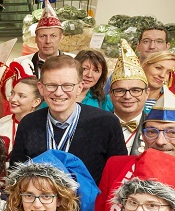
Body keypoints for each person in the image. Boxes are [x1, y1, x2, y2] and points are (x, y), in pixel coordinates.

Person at [9, 55, 127, 183]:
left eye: (67, 86)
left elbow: (119, 176)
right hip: (40, 202)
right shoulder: (29, 123)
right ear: (41, 88)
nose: (59, 92)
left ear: (80, 87)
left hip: (90, 202)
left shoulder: (106, 123)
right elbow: (15, 175)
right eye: (51, 85)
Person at [2, 0, 64, 99]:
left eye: (53, 36)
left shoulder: (74, 63)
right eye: (43, 36)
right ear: (35, 38)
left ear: (61, 38)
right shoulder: (19, 64)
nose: (48, 41)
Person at [0, 77, 42, 154]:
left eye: (21, 96)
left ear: (36, 102)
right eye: (12, 93)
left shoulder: (44, 127)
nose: (13, 99)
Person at [136, 25, 175, 95]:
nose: (152, 46)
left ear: (167, 46)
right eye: (146, 41)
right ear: (138, 46)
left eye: (159, 41)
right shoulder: (126, 70)